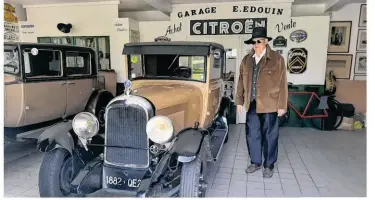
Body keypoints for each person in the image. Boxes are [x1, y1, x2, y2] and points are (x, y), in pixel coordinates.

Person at [235, 27, 288, 178]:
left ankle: (269, 165)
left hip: (270, 105)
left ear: (265, 42)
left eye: (259, 41)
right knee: (252, 135)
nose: (255, 44)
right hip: (251, 104)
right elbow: (240, 81)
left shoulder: (277, 59)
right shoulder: (247, 60)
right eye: (253, 42)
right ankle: (256, 162)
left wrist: (282, 105)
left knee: (270, 136)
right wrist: (239, 101)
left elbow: (283, 83)